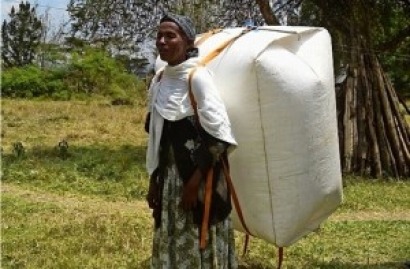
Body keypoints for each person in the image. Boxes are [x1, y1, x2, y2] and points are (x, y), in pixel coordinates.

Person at [145, 13, 238, 269]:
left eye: (170, 36)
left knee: (199, 234)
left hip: (200, 180)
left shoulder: (197, 78)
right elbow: (157, 136)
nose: (162, 41)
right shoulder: (161, 80)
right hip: (169, 180)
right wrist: (155, 180)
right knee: (172, 238)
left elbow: (219, 138)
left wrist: (193, 184)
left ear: (187, 42)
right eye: (159, 36)